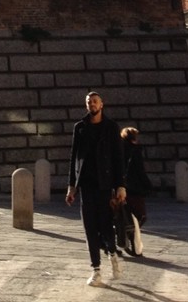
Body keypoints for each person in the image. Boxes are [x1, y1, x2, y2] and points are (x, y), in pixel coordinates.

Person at [66, 91, 127, 287]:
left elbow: (118, 158)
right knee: (89, 228)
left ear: (101, 104)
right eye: (88, 102)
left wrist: (120, 185)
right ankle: (96, 270)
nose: (91, 104)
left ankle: (112, 255)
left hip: (105, 185)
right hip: (86, 185)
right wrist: (71, 187)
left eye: (94, 101)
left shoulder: (111, 127)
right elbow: (74, 158)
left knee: (106, 227)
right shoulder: (80, 127)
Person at [119, 126, 153, 256]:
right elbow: (140, 170)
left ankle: (127, 241)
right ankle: (131, 242)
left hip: (122, 187)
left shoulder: (119, 150)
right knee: (140, 216)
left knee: (127, 216)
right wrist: (148, 185)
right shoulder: (135, 151)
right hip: (135, 188)